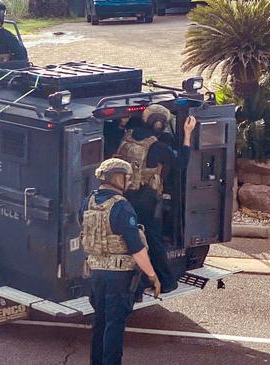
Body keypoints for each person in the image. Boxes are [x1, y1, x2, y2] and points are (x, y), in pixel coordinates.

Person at [79, 158, 162, 365]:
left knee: (99, 321)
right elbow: (137, 248)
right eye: (126, 177)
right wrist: (153, 276)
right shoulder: (122, 207)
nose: (129, 181)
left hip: (95, 273)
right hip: (118, 277)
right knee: (114, 325)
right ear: (117, 178)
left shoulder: (88, 201)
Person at [115, 104, 197, 292]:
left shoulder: (127, 136)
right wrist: (187, 134)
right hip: (146, 198)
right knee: (153, 238)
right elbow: (182, 162)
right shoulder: (157, 147)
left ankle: (139, 280)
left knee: (130, 237)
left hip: (124, 194)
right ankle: (167, 282)